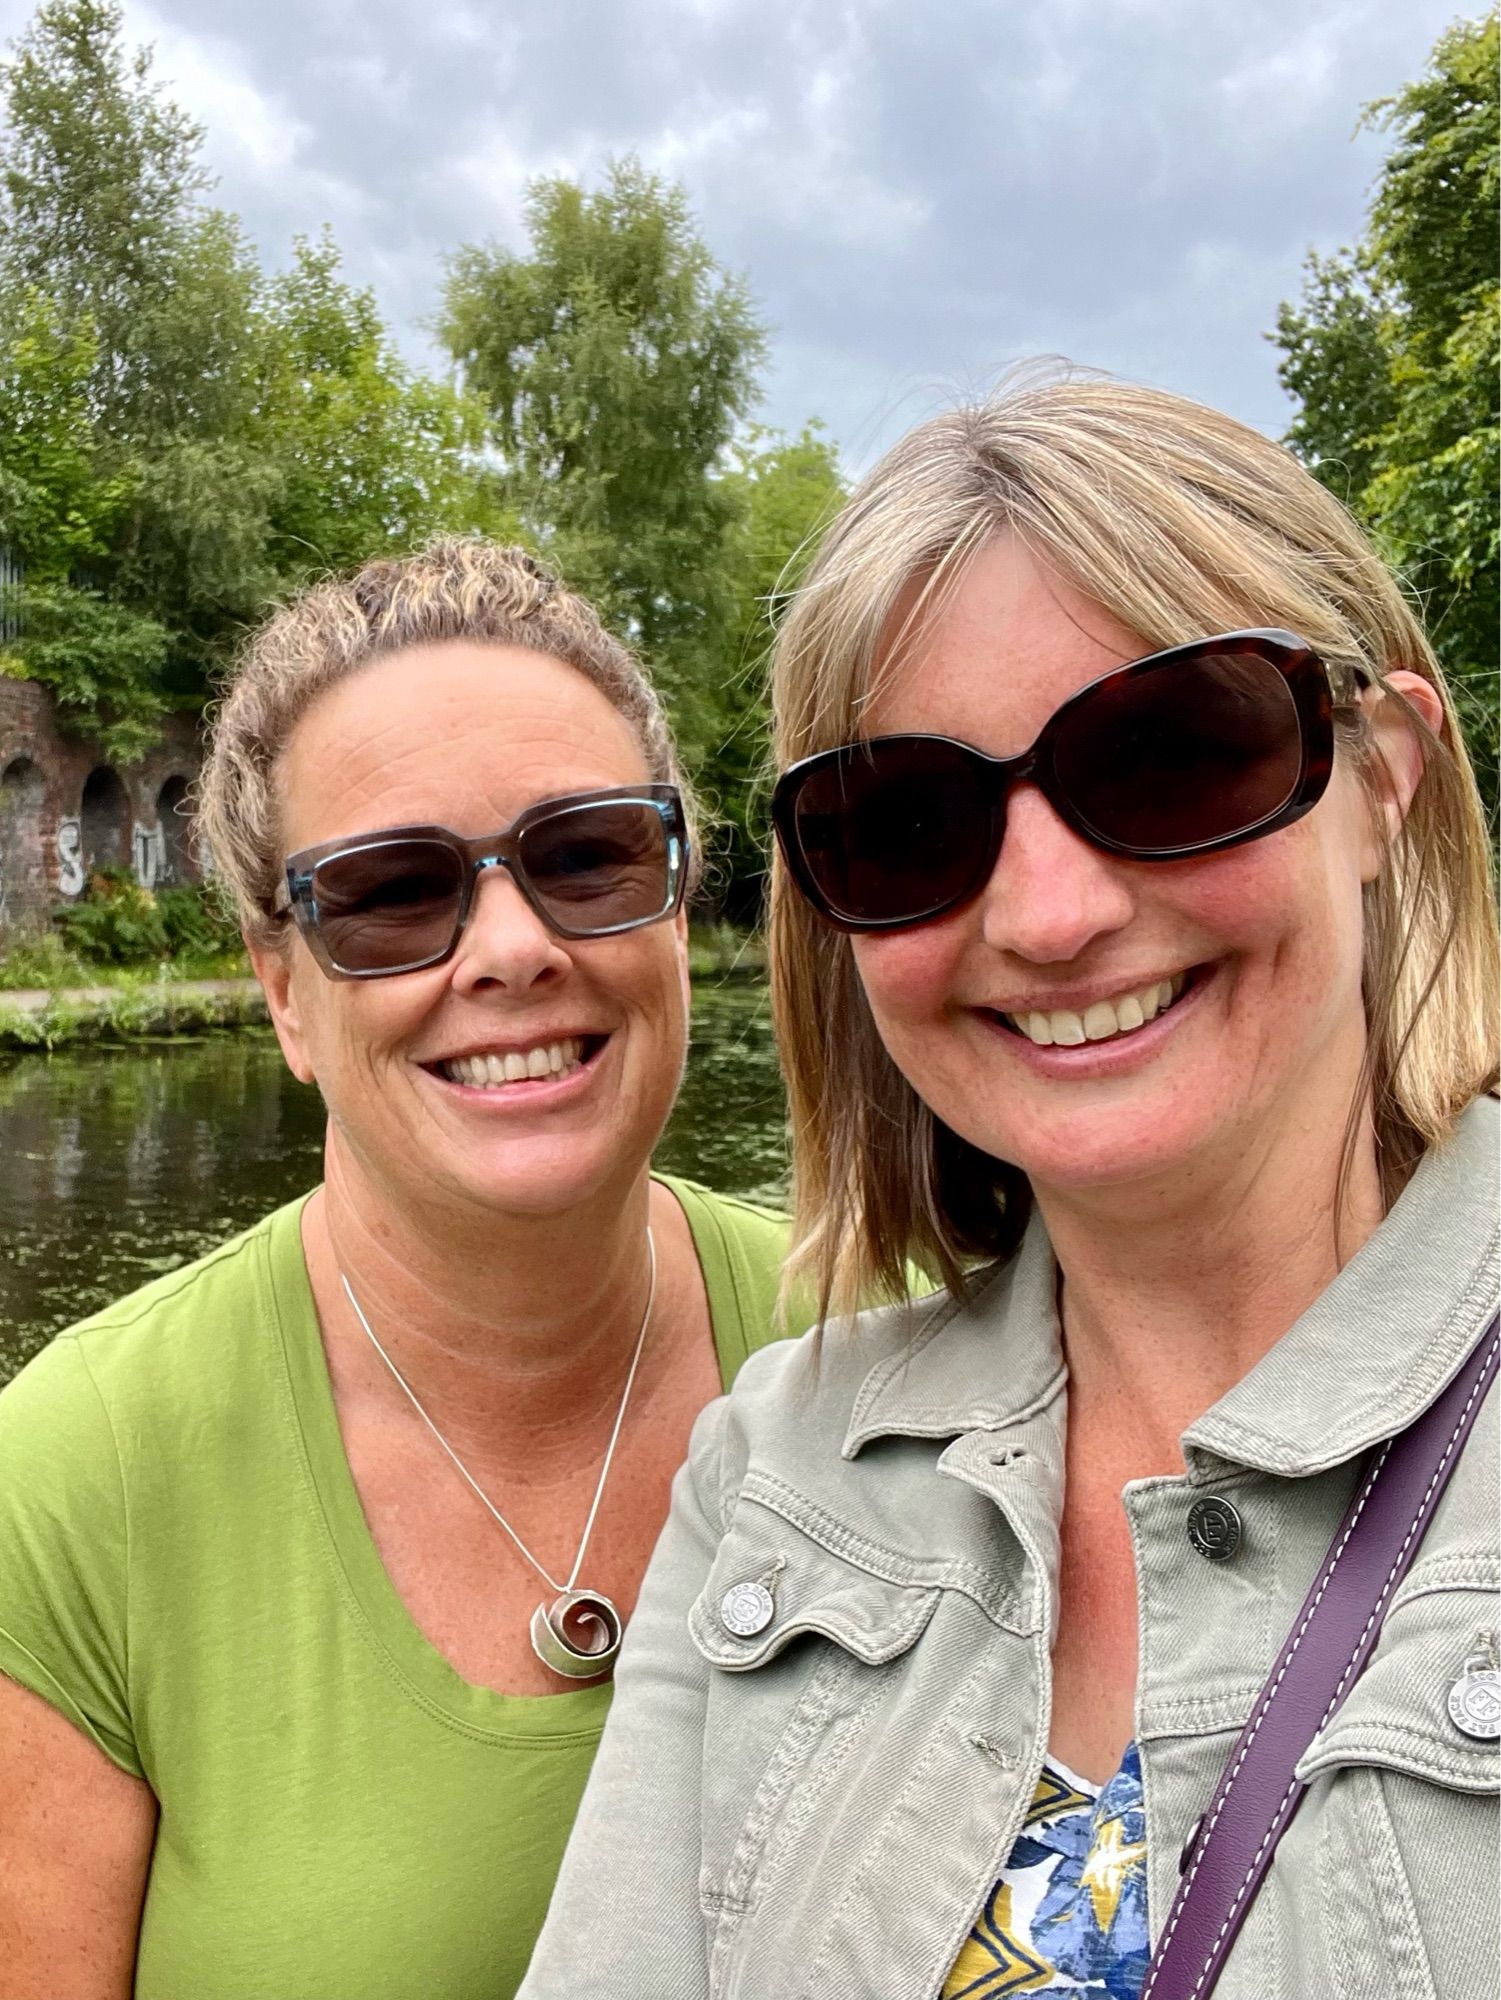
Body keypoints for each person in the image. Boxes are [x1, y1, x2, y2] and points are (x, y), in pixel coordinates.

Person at [521, 378, 1500, 2000]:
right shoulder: (775, 1468)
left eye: (1174, 755)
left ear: (1383, 775)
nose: (1045, 915)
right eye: (907, 822)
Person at [0, 538, 802, 1999]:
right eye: (387, 892)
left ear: (676, 906)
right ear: (283, 991)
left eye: (587, 857)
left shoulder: (905, 1352)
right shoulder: (72, 1481)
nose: (509, 949)